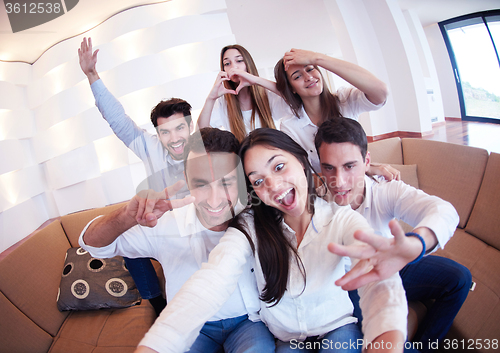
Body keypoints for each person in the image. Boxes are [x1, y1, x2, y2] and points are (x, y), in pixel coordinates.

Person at [135, 128, 427, 353]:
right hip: (287, 340)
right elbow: (211, 280)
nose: (273, 186)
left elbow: (378, 282)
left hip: (336, 328)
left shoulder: (341, 219)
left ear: (302, 162)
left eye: (278, 167)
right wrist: (156, 344)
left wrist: (388, 336)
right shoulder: (250, 225)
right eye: (258, 181)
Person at [79, 128, 276, 353]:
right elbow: (93, 245)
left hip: (249, 323)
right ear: (186, 180)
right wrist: (126, 216)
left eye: (226, 183)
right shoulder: (165, 222)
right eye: (202, 184)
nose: (214, 200)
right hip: (192, 328)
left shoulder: (257, 216)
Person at [314, 118, 472, 352]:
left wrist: (416, 243)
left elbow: (443, 210)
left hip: (395, 262)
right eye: (329, 167)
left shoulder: (385, 190)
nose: (339, 181)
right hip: (354, 282)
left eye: (349, 166)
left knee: (460, 278)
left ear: (367, 162)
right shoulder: (314, 202)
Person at [78, 37, 193, 315]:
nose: (174, 138)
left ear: (190, 126)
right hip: (157, 227)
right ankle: (156, 302)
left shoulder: (206, 146)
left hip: (192, 227)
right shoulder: (149, 145)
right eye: (165, 132)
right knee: (129, 247)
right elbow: (118, 120)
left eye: (180, 129)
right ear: (157, 134)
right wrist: (93, 75)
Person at [275, 48, 395, 178]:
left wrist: (316, 57)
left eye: (310, 69)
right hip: (326, 190)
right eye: (297, 76)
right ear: (291, 88)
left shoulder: (345, 100)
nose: (308, 77)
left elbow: (381, 92)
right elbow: (301, 176)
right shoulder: (290, 126)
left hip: (362, 183)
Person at [197, 44, 290, 141]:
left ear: (248, 64)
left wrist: (256, 80)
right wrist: (210, 99)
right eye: (227, 64)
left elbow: (294, 100)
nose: (234, 67)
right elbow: (200, 135)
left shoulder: (267, 94)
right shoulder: (222, 102)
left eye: (239, 61)